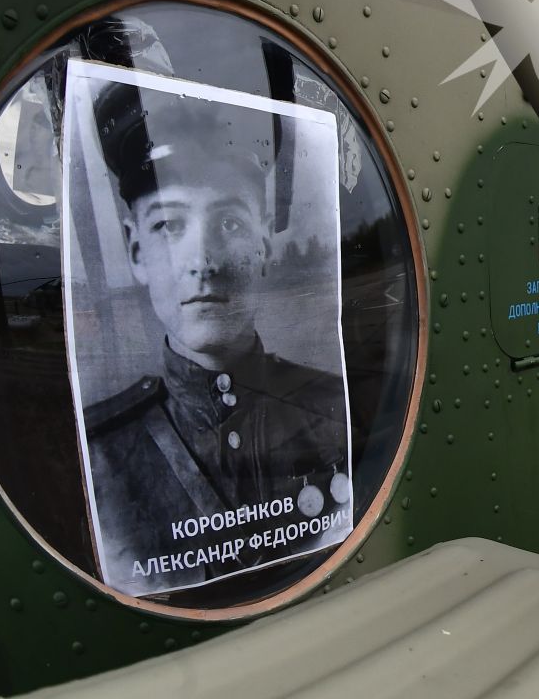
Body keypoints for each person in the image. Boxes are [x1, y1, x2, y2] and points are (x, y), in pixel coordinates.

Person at [79, 80, 349, 594]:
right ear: (137, 252)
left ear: (264, 245)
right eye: (168, 226)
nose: (202, 264)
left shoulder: (333, 408)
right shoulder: (103, 456)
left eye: (228, 224)